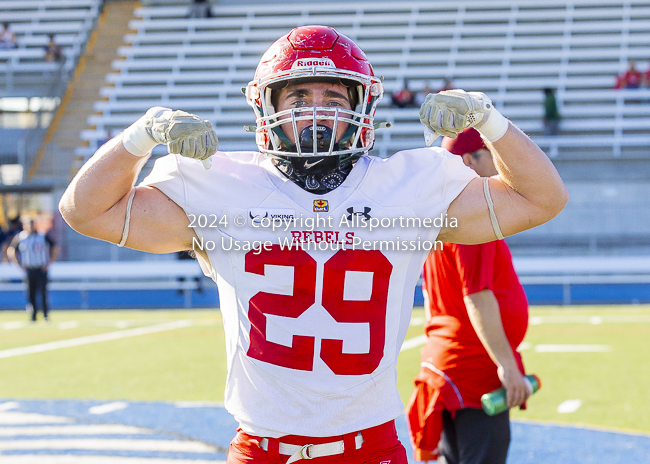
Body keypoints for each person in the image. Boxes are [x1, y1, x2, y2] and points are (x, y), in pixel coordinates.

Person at [58, 25, 567, 464]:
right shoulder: (221, 186)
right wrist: (141, 137)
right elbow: (85, 211)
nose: (316, 113)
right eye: (298, 98)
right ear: (267, 106)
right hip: (263, 448)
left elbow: (541, 199)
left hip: (370, 446)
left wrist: (488, 120)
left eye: (334, 99)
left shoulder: (408, 186)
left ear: (361, 108)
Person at [406, 127, 530, 464]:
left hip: (449, 363)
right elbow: (476, 295)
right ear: (468, 160)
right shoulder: (474, 214)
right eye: (492, 154)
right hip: (474, 372)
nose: (500, 163)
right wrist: (506, 365)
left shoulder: (439, 210)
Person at [7, 218, 58, 322]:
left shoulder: (42, 236)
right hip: (29, 269)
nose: (30, 227)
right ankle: (33, 315)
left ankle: (45, 315)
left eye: (32, 225)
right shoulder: (21, 237)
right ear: (25, 226)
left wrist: (50, 261)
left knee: (43, 292)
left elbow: (54, 246)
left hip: (41, 268)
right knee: (31, 293)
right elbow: (11, 250)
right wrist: (18, 264)